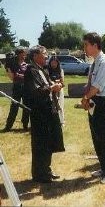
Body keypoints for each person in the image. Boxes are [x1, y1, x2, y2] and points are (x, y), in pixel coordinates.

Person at [24, 45, 65, 183]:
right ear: (35, 56)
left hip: (48, 111)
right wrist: (52, 87)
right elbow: (36, 91)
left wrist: (54, 84)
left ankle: (46, 170)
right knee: (40, 143)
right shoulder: (31, 70)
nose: (46, 56)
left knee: (48, 143)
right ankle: (39, 174)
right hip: (39, 113)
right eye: (44, 53)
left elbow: (47, 84)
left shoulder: (42, 69)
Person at [81, 32, 105, 184]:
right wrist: (86, 98)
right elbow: (90, 84)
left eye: (86, 45)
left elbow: (98, 86)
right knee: (96, 136)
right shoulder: (94, 62)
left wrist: (86, 98)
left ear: (95, 45)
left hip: (102, 102)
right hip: (93, 101)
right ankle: (103, 167)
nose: (85, 48)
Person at [3, 48, 30, 132]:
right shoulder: (13, 64)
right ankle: (8, 126)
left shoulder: (27, 65)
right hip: (17, 87)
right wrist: (9, 69)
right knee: (14, 107)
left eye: (24, 54)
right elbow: (11, 76)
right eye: (21, 54)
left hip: (26, 87)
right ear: (18, 55)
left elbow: (29, 77)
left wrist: (21, 76)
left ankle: (25, 125)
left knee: (26, 107)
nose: (23, 56)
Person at [48, 55, 65, 126]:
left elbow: (62, 81)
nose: (54, 64)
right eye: (52, 63)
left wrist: (59, 83)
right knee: (52, 106)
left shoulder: (60, 70)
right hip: (51, 90)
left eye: (55, 63)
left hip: (59, 90)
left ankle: (61, 121)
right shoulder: (47, 70)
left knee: (60, 106)